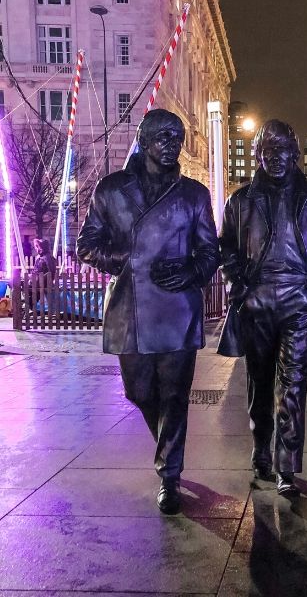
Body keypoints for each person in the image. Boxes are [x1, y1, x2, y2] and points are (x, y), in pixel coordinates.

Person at [77, 109, 219, 514]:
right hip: (130, 309)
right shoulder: (111, 189)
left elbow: (211, 251)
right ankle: (167, 448)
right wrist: (125, 256)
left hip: (176, 309)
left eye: (177, 135)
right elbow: (86, 244)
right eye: (162, 135)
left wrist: (192, 270)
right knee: (138, 392)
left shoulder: (194, 195)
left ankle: (169, 475)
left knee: (174, 396)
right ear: (143, 139)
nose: (171, 142)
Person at [218, 119, 307, 497]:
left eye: (283, 150)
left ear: (295, 154)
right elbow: (226, 250)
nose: (275, 157)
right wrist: (239, 286)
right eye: (268, 151)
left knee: (292, 386)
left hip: (297, 305)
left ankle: (287, 463)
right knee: (258, 383)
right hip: (257, 304)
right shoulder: (240, 201)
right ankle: (260, 449)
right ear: (258, 156)